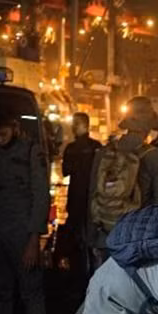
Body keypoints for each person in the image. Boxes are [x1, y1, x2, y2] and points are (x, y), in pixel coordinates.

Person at [0, 113, 50, 314]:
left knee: (31, 290)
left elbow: (41, 196)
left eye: (3, 133)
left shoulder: (32, 152)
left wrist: (34, 239)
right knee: (1, 289)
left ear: (14, 127)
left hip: (22, 232)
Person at [88, 96, 158, 268]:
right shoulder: (153, 156)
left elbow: (92, 195)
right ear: (149, 127)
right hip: (137, 242)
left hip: (105, 238)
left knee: (106, 292)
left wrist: (92, 238)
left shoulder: (104, 153)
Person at [62, 112, 101, 281]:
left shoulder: (73, 148)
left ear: (85, 125)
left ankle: (79, 275)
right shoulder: (96, 147)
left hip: (80, 198)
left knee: (79, 239)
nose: (73, 127)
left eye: (76, 124)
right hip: (89, 198)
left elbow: (66, 170)